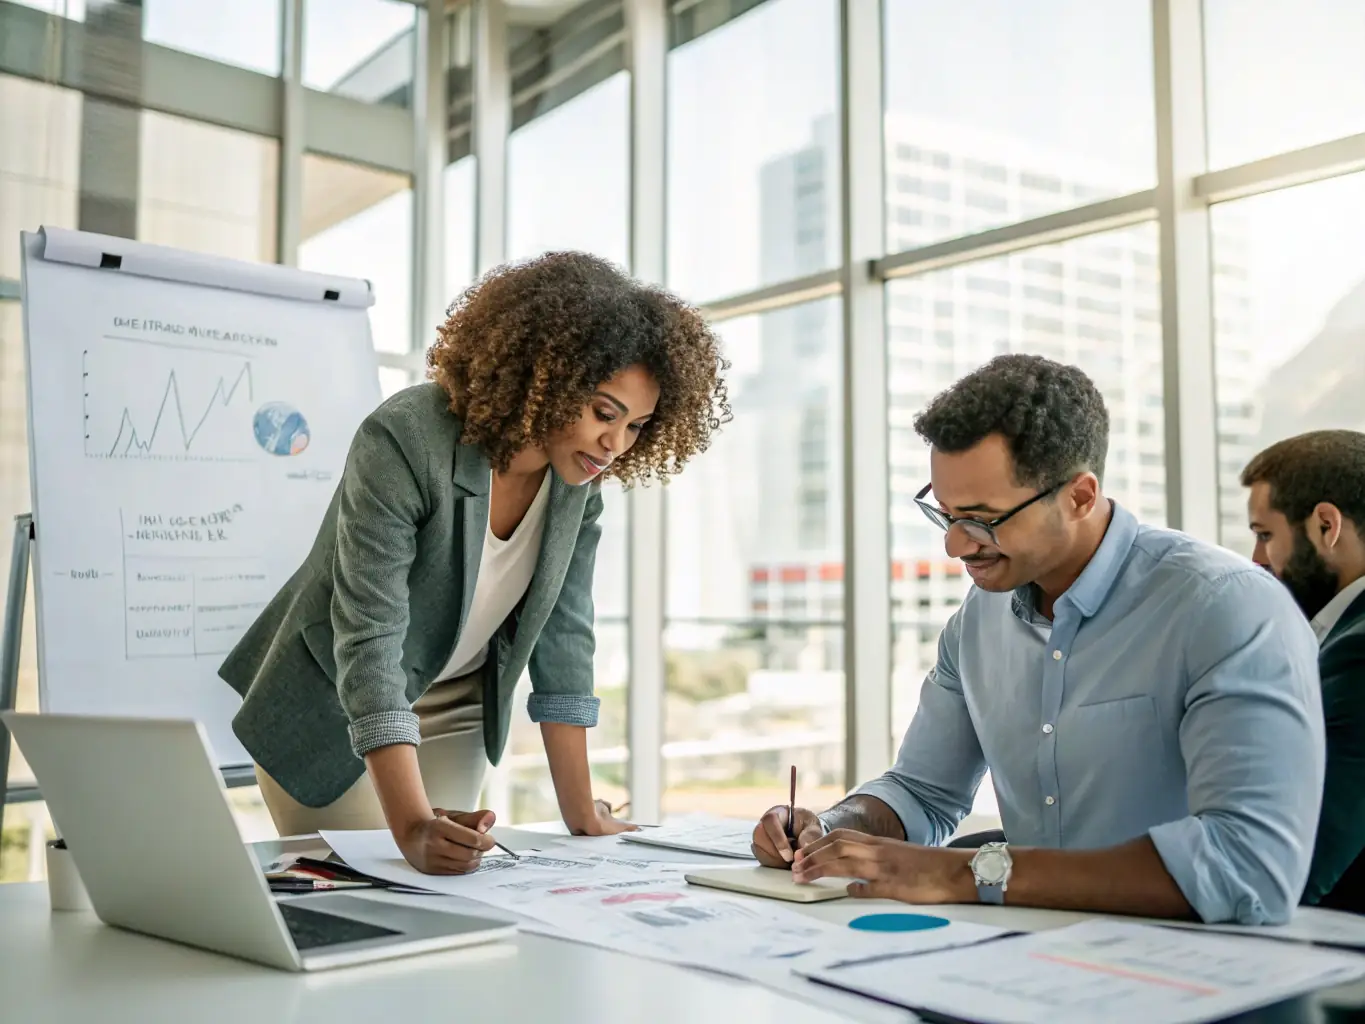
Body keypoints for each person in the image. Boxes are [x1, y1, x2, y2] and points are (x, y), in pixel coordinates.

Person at [750, 354, 1323, 925]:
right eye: (944, 514)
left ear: (1079, 495)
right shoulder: (980, 619)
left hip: (1196, 978)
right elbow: (923, 792)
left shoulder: (1225, 608)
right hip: (1024, 964)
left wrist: (964, 873)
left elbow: (1247, 865)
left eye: (983, 519)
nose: (955, 545)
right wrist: (832, 830)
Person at [223, 252, 729, 874]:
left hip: (459, 704)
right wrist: (409, 826)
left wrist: (581, 816)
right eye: (604, 413)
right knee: (361, 891)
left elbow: (565, 636)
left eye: (637, 427)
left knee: (449, 890)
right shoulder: (405, 438)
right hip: (341, 701)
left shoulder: (579, 483)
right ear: (545, 377)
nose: (615, 445)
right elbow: (369, 639)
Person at [1243, 430, 1365, 914]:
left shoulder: (1357, 655)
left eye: (1265, 535)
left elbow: (1293, 869)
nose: (1256, 559)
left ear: (1325, 526)